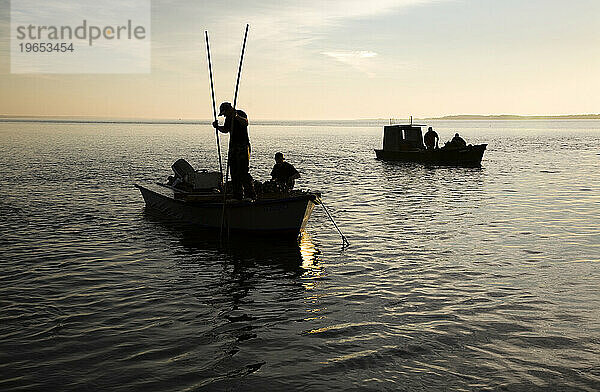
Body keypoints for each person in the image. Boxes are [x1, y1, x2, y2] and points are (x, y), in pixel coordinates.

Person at [213, 102, 256, 200]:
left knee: (243, 171)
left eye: (224, 113)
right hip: (233, 146)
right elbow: (226, 129)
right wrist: (217, 127)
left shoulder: (240, 113)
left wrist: (235, 116)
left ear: (229, 109)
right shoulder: (228, 119)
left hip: (243, 146)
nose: (224, 115)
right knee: (234, 171)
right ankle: (237, 196)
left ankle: (250, 195)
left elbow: (245, 123)